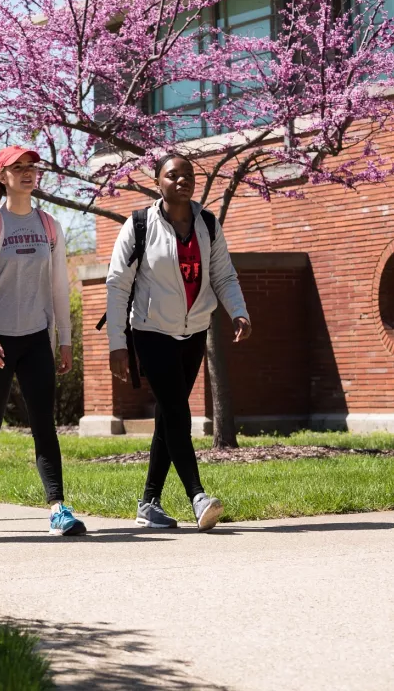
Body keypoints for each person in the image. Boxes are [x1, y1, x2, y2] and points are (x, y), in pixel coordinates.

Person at [105, 152, 251, 532]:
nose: (182, 180)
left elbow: (224, 275)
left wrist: (239, 311)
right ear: (158, 183)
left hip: (194, 331)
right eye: (173, 175)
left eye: (188, 175)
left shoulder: (207, 224)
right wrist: (117, 343)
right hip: (151, 330)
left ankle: (148, 502)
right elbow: (117, 285)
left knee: (168, 417)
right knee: (176, 409)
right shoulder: (138, 225)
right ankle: (197, 496)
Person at [0, 146, 82, 536]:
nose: (27, 173)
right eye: (17, 168)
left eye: (31, 167)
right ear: (1, 177)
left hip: (36, 337)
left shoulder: (49, 225)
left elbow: (59, 287)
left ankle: (58, 507)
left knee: (44, 424)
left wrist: (65, 340)